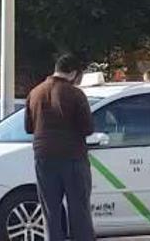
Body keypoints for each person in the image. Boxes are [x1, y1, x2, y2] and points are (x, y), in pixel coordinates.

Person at [24, 53, 95, 241]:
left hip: (43, 157)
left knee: (50, 212)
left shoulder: (35, 92)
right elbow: (87, 128)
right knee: (79, 212)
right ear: (73, 73)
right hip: (73, 158)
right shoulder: (75, 94)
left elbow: (28, 127)